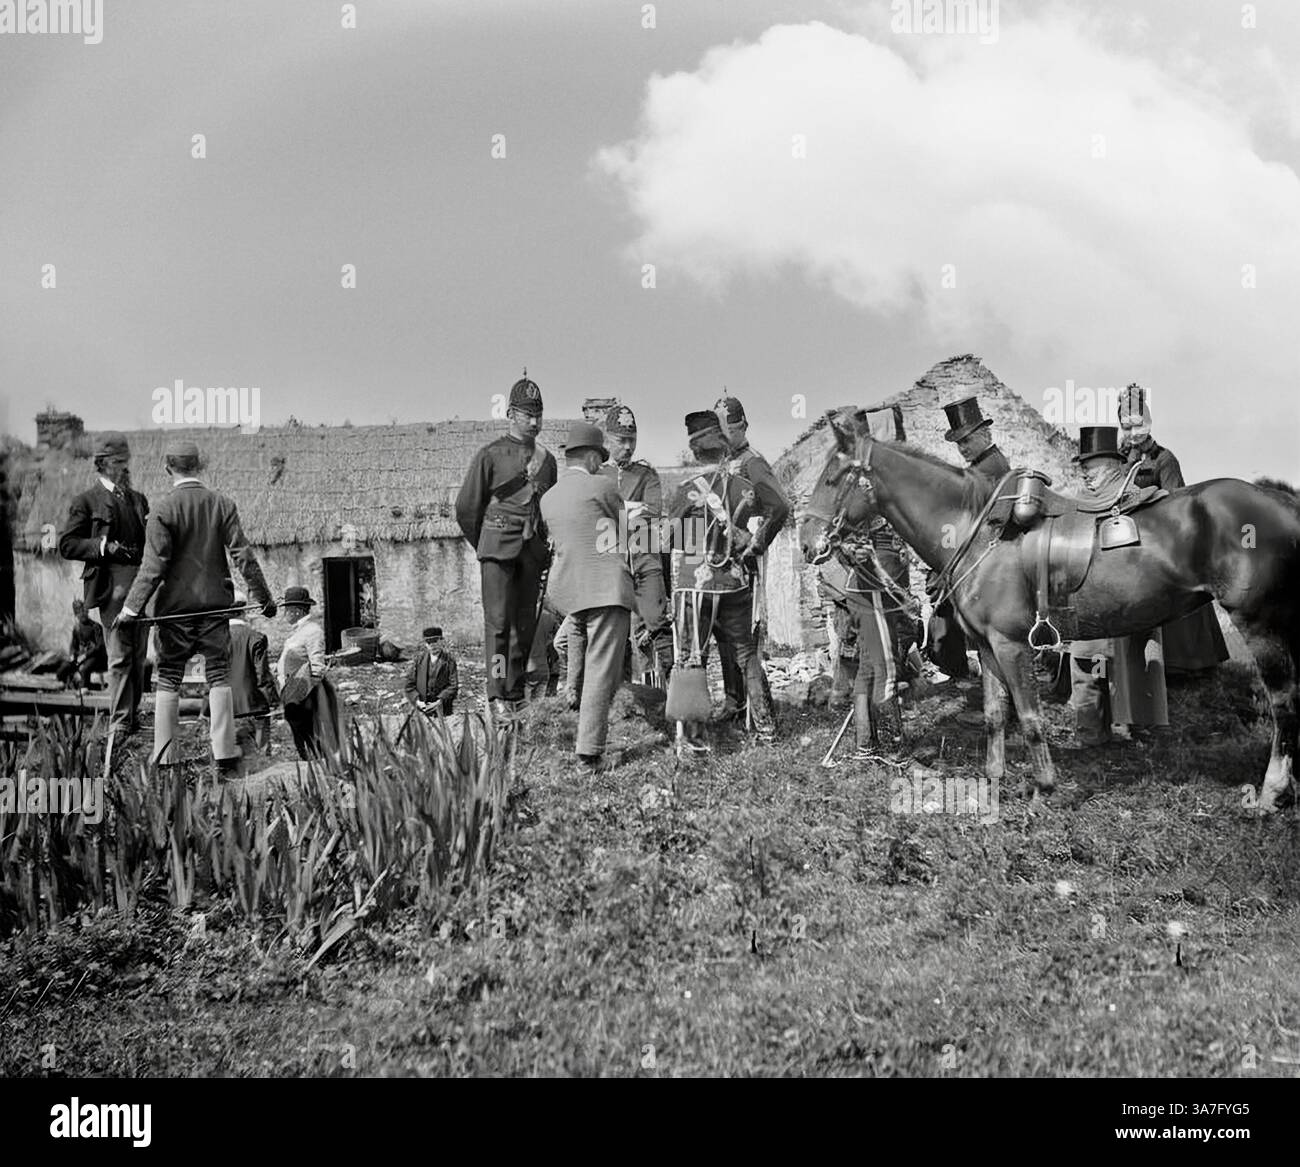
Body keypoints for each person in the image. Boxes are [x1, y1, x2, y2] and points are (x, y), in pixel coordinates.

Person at [118, 440, 275, 777]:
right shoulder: (222, 505)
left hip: (174, 611)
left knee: (169, 678)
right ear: (200, 465)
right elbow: (243, 557)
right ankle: (223, 752)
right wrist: (264, 598)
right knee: (218, 675)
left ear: (167, 468)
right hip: (215, 609)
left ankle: (165, 754)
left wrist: (131, 610)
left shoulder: (162, 510)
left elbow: (153, 567)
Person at [668, 410, 776, 754]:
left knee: (690, 658)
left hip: (695, 586)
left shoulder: (685, 492)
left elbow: (666, 538)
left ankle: (695, 741)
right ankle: (766, 728)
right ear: (722, 446)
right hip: (735, 584)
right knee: (746, 656)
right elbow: (765, 515)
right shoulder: (744, 488)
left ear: (694, 451)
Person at [455, 373, 558, 720]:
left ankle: (516, 690)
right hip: (497, 551)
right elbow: (467, 508)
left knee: (524, 625)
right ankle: (497, 690)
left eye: (538, 414)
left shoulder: (548, 462)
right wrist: (485, 545)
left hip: (531, 553)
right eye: (527, 413)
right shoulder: (491, 455)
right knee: (498, 624)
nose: (534, 420)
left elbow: (548, 511)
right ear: (511, 413)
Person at [540, 421, 637, 772]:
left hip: (569, 592)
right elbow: (626, 535)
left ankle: (573, 702)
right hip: (607, 590)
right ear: (594, 457)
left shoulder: (548, 499)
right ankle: (589, 752)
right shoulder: (603, 486)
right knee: (601, 670)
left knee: (574, 649)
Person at [1068, 426, 1169, 747]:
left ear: (1112, 465)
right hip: (1090, 600)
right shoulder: (1081, 502)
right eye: (1082, 467)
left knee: (1127, 664)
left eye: (1090, 466)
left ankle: (1130, 729)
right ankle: (1090, 734)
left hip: (1130, 601)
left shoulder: (1134, 499)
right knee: (1086, 662)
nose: (1084, 474)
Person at [1118, 383, 1228, 675]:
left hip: (1163, 533)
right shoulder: (1121, 457)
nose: (1132, 433)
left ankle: (1186, 662)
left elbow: (1176, 499)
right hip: (1130, 532)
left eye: (1137, 425)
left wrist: (1146, 496)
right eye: (1126, 426)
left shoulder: (1165, 459)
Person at [58, 431, 150, 736]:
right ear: (102, 463)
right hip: (111, 585)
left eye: (126, 461)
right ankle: (121, 724)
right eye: (118, 462)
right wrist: (102, 546)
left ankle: (133, 717)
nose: (124, 467)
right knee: (120, 655)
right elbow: (67, 545)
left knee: (138, 656)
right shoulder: (86, 501)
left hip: (141, 584)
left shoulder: (139, 500)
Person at [712, 395, 790, 724]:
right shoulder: (720, 463)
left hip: (744, 563)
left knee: (744, 640)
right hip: (720, 560)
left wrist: (756, 545)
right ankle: (734, 701)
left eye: (727, 429)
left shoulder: (753, 463)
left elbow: (780, 507)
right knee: (722, 632)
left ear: (743, 426)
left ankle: (761, 716)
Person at [931, 396, 1013, 682]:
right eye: (958, 444)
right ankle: (975, 682)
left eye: (966, 441)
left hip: (989, 559)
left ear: (984, 435)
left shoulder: (988, 468)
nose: (962, 449)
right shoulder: (983, 464)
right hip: (984, 557)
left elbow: (962, 517)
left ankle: (974, 682)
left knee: (984, 629)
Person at [600, 404, 673, 684]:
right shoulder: (599, 475)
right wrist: (629, 510)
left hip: (645, 560)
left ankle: (664, 693)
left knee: (654, 627)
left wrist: (616, 511)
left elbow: (652, 512)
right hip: (611, 563)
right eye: (622, 440)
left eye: (632, 440)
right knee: (614, 632)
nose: (628, 447)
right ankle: (622, 695)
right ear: (608, 439)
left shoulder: (647, 475)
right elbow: (597, 515)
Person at [275, 585, 337, 760]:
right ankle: (312, 760)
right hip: (293, 688)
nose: (285, 613)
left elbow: (316, 664)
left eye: (286, 609)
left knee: (306, 730)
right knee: (299, 729)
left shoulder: (312, 631)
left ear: (296, 611)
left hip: (304, 691)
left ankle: (317, 761)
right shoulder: (299, 631)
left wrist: (308, 695)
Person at [226, 588, 277, 754]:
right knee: (262, 752)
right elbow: (262, 673)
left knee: (235, 753)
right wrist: (273, 700)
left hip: (227, 702)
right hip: (254, 702)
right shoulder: (256, 637)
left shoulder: (216, 640)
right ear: (243, 612)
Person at [405, 626, 460, 716]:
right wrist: (418, 701)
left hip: (443, 708)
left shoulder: (449, 661)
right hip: (422, 708)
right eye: (429, 642)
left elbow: (453, 685)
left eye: (435, 641)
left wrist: (440, 701)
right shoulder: (419, 660)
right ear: (425, 644)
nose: (432, 645)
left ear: (441, 641)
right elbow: (409, 685)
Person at [58, 598, 107, 690]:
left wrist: (85, 655)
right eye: (80, 612)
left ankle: (84, 691)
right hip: (81, 658)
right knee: (64, 668)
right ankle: (69, 685)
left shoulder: (95, 627)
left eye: (84, 611)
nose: (83, 614)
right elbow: (73, 645)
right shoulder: (77, 628)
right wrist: (72, 655)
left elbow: (100, 646)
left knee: (84, 669)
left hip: (96, 658)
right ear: (76, 614)